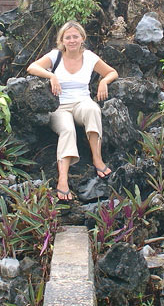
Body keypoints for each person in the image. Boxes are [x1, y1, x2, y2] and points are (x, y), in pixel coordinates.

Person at [27, 20, 118, 200]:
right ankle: (63, 179)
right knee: (67, 130)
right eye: (68, 37)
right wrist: (51, 75)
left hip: (81, 103)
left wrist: (103, 81)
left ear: (82, 38)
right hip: (59, 107)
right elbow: (32, 67)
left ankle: (97, 159)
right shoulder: (55, 56)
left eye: (75, 36)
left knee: (93, 109)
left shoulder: (90, 57)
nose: (72, 40)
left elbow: (112, 72)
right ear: (62, 40)